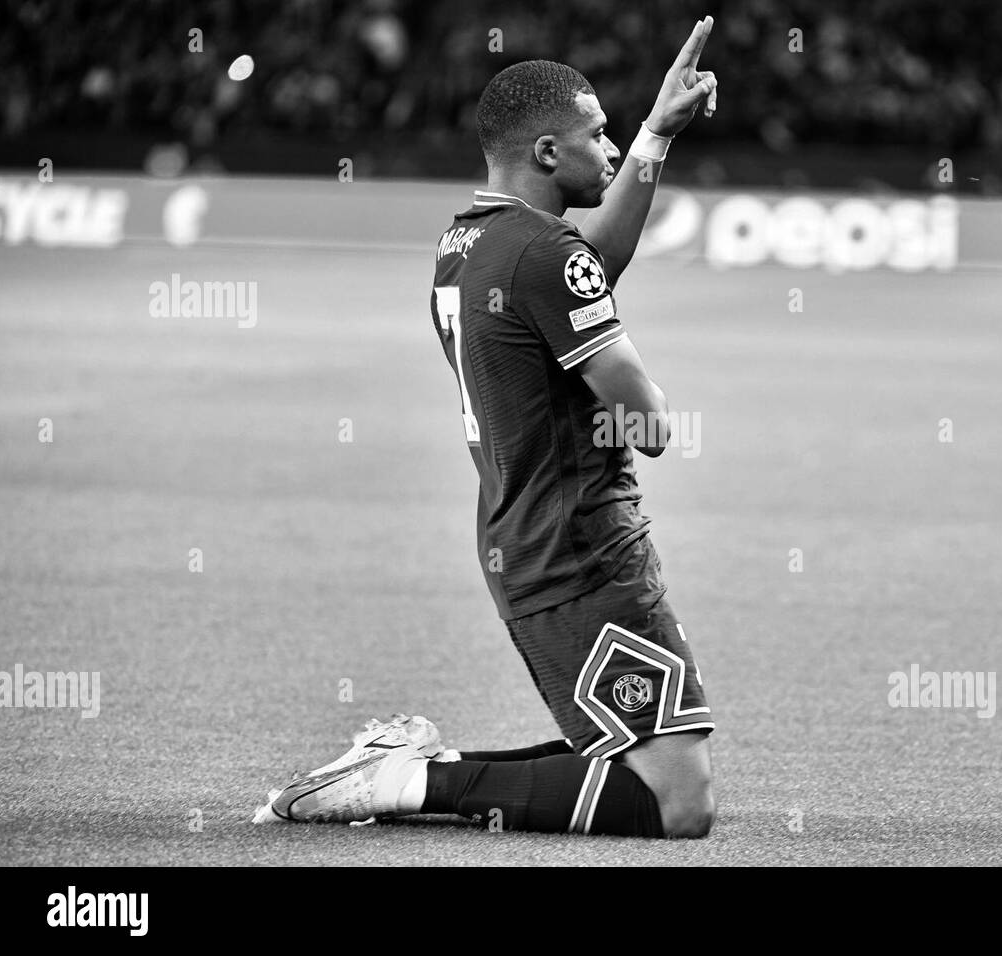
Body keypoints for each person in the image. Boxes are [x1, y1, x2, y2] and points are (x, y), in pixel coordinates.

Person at [255, 17, 720, 838]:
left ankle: (407, 773)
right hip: (580, 545)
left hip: (530, 533)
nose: (609, 150)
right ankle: (407, 783)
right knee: (676, 803)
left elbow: (581, 268)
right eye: (598, 134)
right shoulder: (545, 257)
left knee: (638, 762)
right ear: (548, 153)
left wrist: (654, 135)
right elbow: (648, 424)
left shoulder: (470, 239)